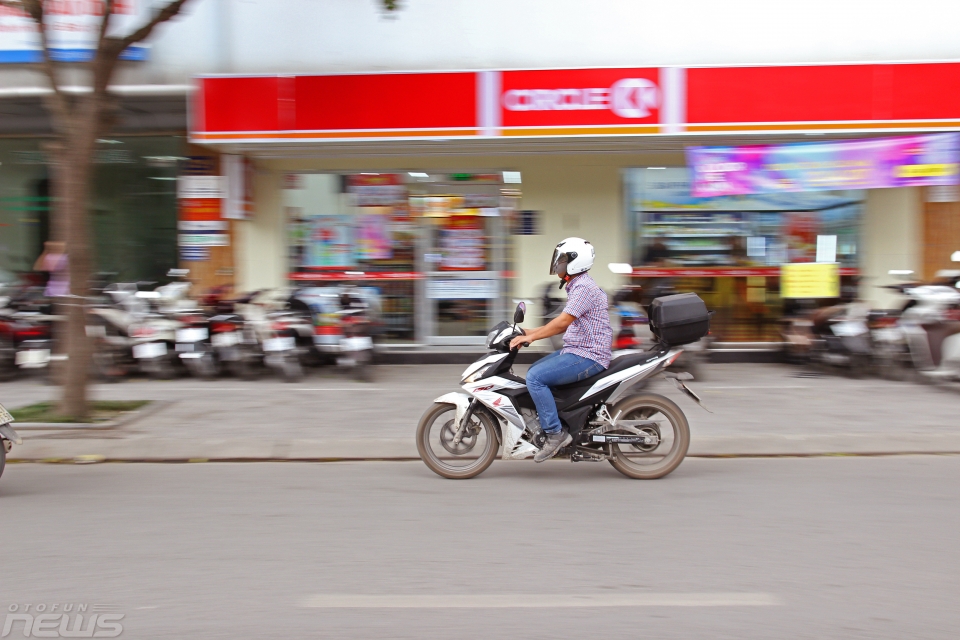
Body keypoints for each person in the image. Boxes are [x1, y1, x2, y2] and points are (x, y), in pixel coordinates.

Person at [510, 237, 613, 462]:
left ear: (576, 262)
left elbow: (562, 323)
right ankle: (558, 419)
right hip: (579, 349)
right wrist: (528, 332)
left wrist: (533, 336)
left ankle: (555, 434)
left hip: (588, 355)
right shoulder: (577, 285)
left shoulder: (583, 287)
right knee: (536, 368)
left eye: (563, 259)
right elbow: (562, 323)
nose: (558, 263)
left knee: (536, 377)